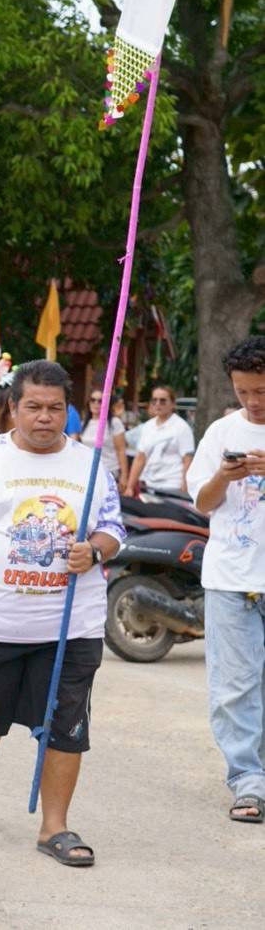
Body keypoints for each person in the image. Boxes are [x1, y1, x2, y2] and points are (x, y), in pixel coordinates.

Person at [0, 360, 124, 867]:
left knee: (66, 724)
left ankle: (54, 826)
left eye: (55, 408)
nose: (44, 418)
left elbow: (113, 529)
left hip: (69, 627)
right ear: (12, 407)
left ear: (68, 410)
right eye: (33, 407)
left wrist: (96, 550)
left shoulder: (92, 463)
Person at [185, 336, 265, 824]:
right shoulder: (220, 431)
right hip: (230, 578)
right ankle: (248, 782)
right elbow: (202, 501)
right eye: (244, 392)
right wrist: (225, 477)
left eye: (262, 391)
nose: (253, 402)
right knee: (234, 686)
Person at [125, 385, 195, 496]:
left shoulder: (181, 427)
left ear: (172, 404)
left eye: (163, 401)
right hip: (148, 485)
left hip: (172, 486)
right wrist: (130, 486)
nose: (158, 404)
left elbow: (187, 460)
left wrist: (185, 487)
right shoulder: (147, 427)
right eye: (154, 400)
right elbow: (140, 458)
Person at [76, 387, 127, 489]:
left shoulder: (114, 423)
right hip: (87, 473)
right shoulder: (83, 424)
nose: (96, 404)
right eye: (93, 400)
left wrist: (124, 477)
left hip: (109, 471)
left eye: (100, 401)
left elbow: (121, 450)